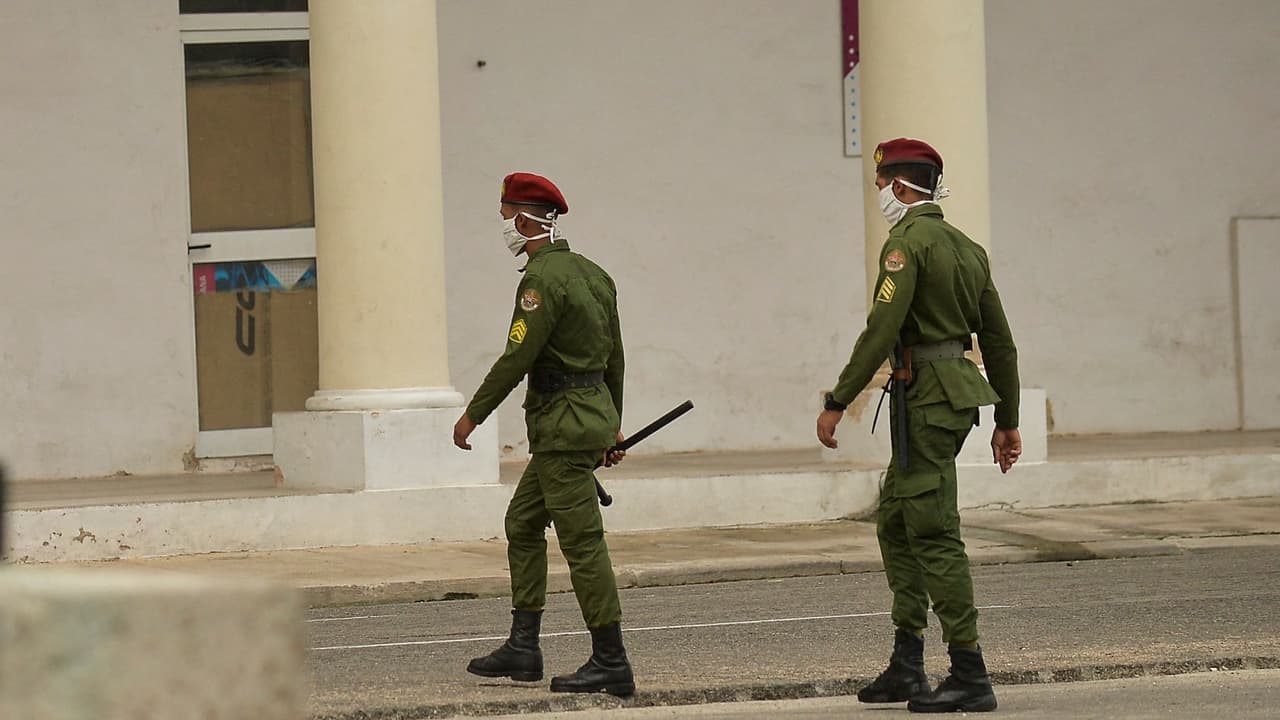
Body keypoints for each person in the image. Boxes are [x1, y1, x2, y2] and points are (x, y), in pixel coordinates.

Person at [816, 138, 1021, 713]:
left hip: (927, 398)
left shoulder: (906, 244)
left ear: (903, 188)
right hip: (947, 396)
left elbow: (882, 329)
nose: (880, 194)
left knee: (931, 530)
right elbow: (999, 341)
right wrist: (1007, 419)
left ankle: (969, 672)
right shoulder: (968, 249)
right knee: (897, 520)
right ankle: (908, 662)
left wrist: (838, 399)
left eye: (883, 184)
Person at [453, 171, 634, 697]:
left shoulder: (541, 281)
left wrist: (473, 415)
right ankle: (523, 647)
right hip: (585, 420)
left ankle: (611, 660)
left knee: (583, 544)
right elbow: (615, 359)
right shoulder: (595, 274)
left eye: (506, 215)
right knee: (523, 521)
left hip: (561, 427)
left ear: (526, 220)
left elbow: (517, 357)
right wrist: (611, 425)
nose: (504, 225)